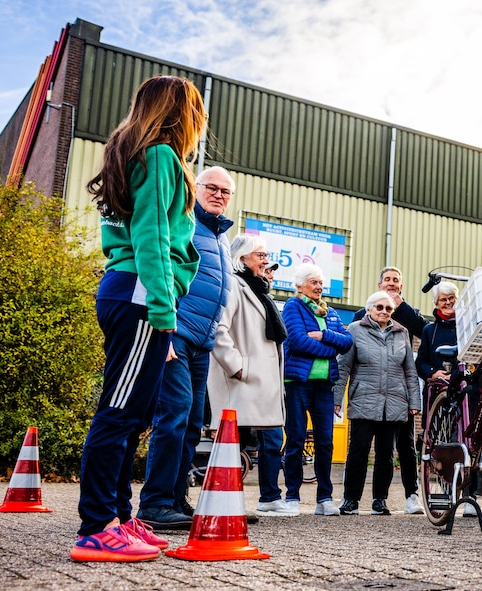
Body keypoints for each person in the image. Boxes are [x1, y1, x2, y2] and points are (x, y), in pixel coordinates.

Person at [72, 75, 206, 562]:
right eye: (195, 112)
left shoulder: (132, 154)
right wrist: (164, 313)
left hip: (128, 292)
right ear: (180, 113)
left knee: (134, 415)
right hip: (140, 294)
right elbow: (151, 239)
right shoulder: (160, 156)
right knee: (120, 413)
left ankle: (120, 517)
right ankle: (96, 527)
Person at [136, 165, 235, 530]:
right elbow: (159, 268)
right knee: (173, 415)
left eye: (226, 192)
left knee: (193, 423)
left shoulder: (221, 236)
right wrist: (162, 331)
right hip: (175, 334)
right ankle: (155, 504)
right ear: (195, 188)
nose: (219, 195)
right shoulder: (183, 221)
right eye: (212, 188)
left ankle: (176, 499)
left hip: (201, 343)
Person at [207, 234, 297, 516]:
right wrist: (236, 365)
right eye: (260, 255)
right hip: (241, 379)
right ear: (242, 258)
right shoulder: (234, 285)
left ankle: (256, 499)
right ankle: (224, 504)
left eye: (266, 255)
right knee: (234, 442)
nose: (266, 260)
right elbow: (218, 328)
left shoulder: (258, 290)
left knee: (252, 439)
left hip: (259, 381)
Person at [335, 291, 421, 516]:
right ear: (369, 309)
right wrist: (337, 399)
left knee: (386, 455)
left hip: (394, 402)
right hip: (364, 399)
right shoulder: (354, 330)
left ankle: (379, 500)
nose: (384, 312)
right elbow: (343, 367)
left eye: (388, 309)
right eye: (379, 307)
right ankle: (351, 499)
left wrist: (414, 402)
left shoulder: (402, 333)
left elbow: (410, 372)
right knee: (358, 452)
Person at [352, 266, 428, 514]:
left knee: (406, 446)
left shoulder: (407, 316)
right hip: (370, 394)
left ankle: (411, 495)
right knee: (363, 447)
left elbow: (423, 330)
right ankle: (354, 498)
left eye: (396, 280)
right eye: (387, 279)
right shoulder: (363, 314)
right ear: (379, 284)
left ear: (401, 286)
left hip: (400, 394)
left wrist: (401, 306)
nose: (392, 283)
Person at [282, 263, 353, 516]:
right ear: (300, 285)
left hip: (325, 386)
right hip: (298, 383)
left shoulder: (330, 312)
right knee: (296, 439)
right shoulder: (293, 306)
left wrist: (324, 337)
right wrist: (331, 348)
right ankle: (292, 496)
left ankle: (325, 498)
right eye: (314, 282)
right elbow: (297, 341)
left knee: (325, 442)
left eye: (321, 283)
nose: (319, 287)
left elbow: (347, 342)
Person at [414, 281, 476, 517]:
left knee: (468, 439)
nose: (448, 303)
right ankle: (444, 493)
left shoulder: (468, 325)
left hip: (463, 386)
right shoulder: (430, 330)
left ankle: (469, 496)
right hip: (438, 391)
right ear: (436, 304)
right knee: (440, 443)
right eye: (443, 300)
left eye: (451, 299)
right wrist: (433, 372)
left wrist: (459, 373)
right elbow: (420, 363)